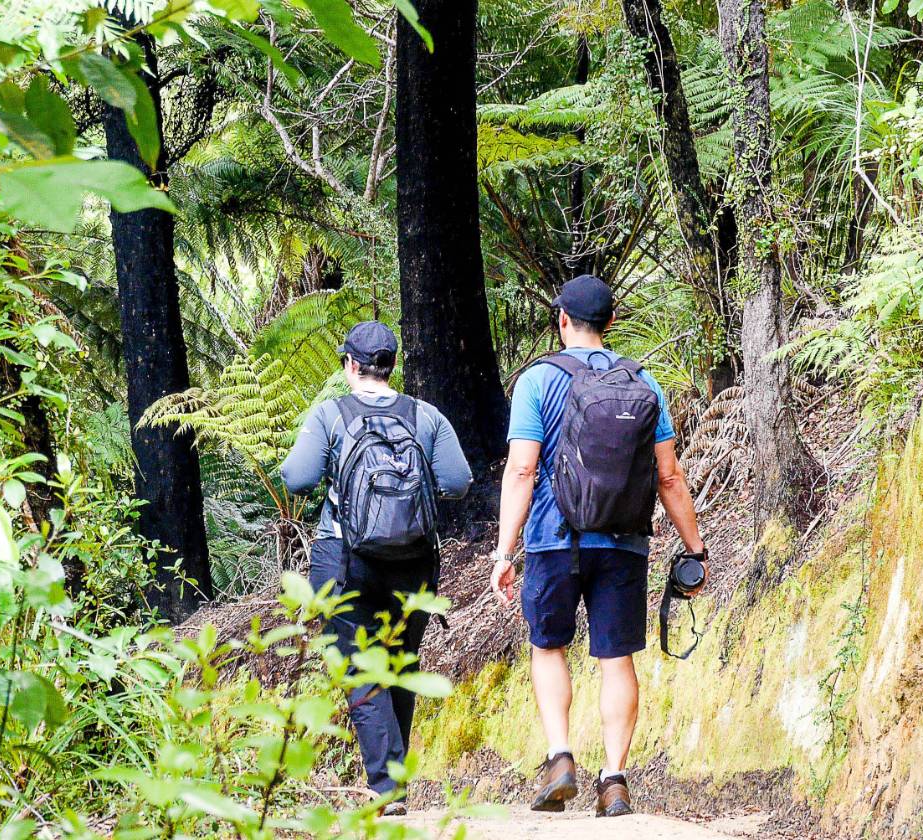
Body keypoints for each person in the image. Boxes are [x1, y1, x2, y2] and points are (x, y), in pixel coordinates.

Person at [488, 274, 708, 817]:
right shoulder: (646, 385)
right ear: (611, 324)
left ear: (562, 320)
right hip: (623, 542)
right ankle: (614, 782)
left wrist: (503, 552)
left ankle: (561, 758)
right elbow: (669, 477)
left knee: (548, 647)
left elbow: (522, 468)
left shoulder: (537, 381)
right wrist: (695, 550)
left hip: (551, 538)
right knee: (616, 660)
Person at [281, 320, 472, 815]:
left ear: (349, 364)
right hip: (415, 559)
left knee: (361, 668)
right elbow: (457, 481)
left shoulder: (329, 415)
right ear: (391, 365)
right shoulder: (425, 416)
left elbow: (298, 478)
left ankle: (387, 790)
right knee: (400, 664)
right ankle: (393, 780)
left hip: (344, 558)